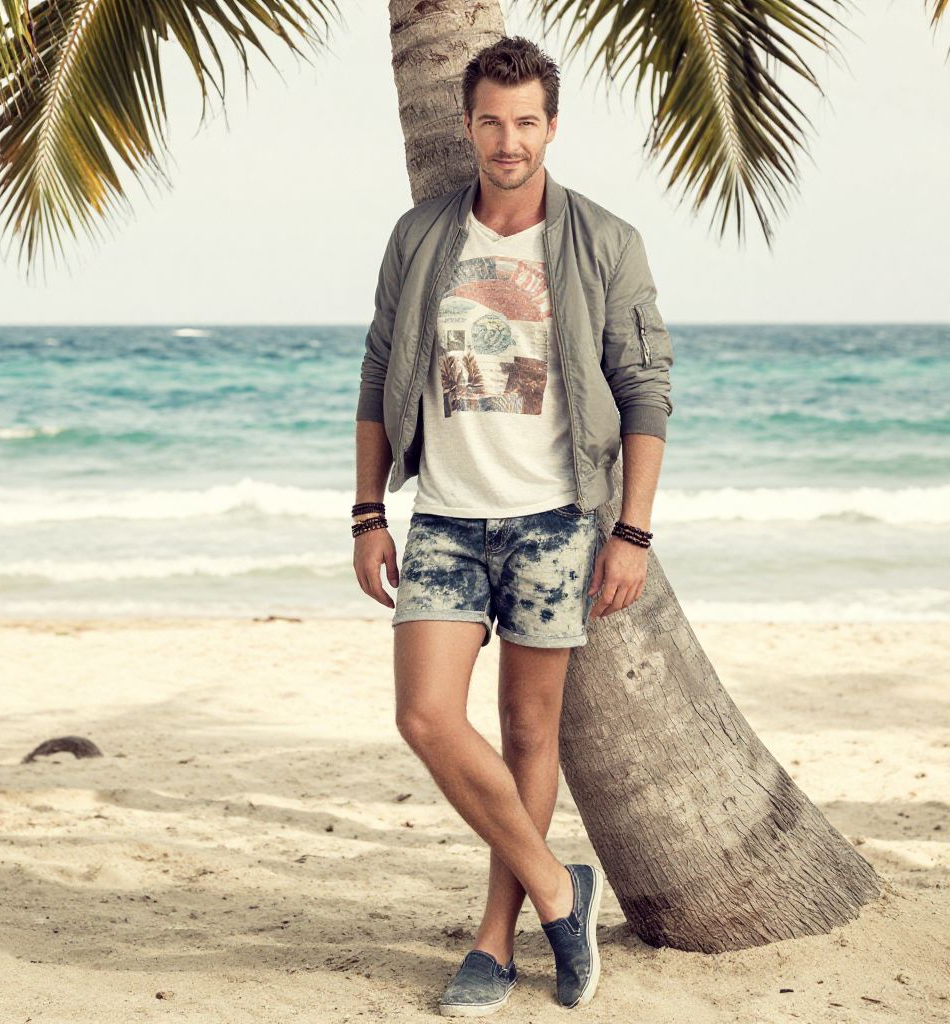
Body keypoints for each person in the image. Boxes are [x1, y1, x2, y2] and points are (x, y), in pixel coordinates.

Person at [351, 35, 673, 1017]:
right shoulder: (420, 236)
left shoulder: (605, 240)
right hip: (445, 517)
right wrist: (367, 511)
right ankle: (556, 886)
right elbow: (378, 371)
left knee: (530, 731)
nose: (507, 140)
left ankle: (494, 942)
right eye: (490, 121)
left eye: (525, 121)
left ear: (551, 127)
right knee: (424, 717)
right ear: (467, 125)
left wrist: (632, 531)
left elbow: (645, 388)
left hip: (554, 521)